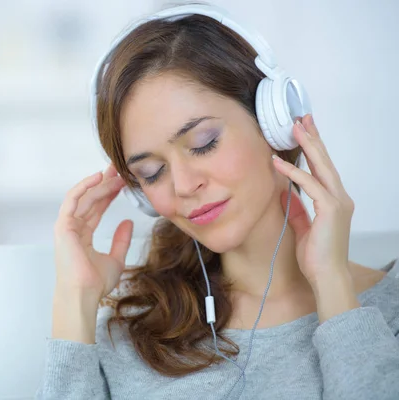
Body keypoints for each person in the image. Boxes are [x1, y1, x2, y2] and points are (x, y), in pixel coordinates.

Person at [35, 3, 399, 399]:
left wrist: (333, 286)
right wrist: (75, 299)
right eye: (152, 173)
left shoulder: (388, 312)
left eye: (204, 143)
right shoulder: (131, 333)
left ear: (273, 123)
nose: (184, 186)